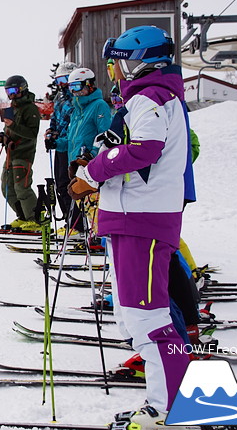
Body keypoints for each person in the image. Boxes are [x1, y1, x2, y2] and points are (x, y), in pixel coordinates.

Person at [68, 25, 194, 429]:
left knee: (148, 317)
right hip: (129, 216)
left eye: (119, 62)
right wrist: (103, 163)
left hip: (143, 219)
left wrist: (92, 172)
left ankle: (173, 406)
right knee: (132, 315)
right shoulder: (147, 97)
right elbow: (135, 149)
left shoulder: (151, 97)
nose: (116, 71)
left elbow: (145, 149)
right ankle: (163, 402)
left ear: (140, 60)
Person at [62, 67, 112, 233]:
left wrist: (93, 155)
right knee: (82, 202)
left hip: (90, 164)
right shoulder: (77, 110)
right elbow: (73, 138)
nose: (74, 92)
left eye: (77, 87)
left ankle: (101, 235)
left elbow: (105, 135)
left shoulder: (99, 106)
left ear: (89, 85)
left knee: (92, 203)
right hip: (76, 164)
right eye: (71, 87)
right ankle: (91, 233)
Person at [0, 75, 41, 231]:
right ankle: (23, 217)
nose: (11, 94)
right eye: (8, 91)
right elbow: (11, 130)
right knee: (7, 187)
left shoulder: (30, 108)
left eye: (13, 90)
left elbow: (32, 133)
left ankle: (35, 219)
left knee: (22, 187)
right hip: (10, 155)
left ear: (22, 89)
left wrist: (12, 126)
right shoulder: (12, 109)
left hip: (23, 154)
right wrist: (1, 136)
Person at [43, 62, 77, 229]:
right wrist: (51, 132)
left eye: (64, 79)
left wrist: (59, 137)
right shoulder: (60, 97)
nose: (61, 84)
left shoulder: (76, 98)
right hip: (60, 146)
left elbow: (75, 124)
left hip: (70, 147)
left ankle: (77, 224)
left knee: (69, 184)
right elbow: (55, 118)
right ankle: (69, 222)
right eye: (58, 80)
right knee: (60, 184)